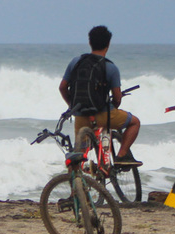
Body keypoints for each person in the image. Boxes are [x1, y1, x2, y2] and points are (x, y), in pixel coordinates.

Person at [58, 25, 142, 166]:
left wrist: (72, 106)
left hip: (80, 116)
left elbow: (62, 88)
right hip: (103, 115)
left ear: (90, 42)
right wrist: (113, 107)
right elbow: (117, 98)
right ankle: (121, 157)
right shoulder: (111, 67)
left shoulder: (76, 62)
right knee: (135, 122)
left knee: (79, 156)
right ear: (108, 44)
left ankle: (77, 184)